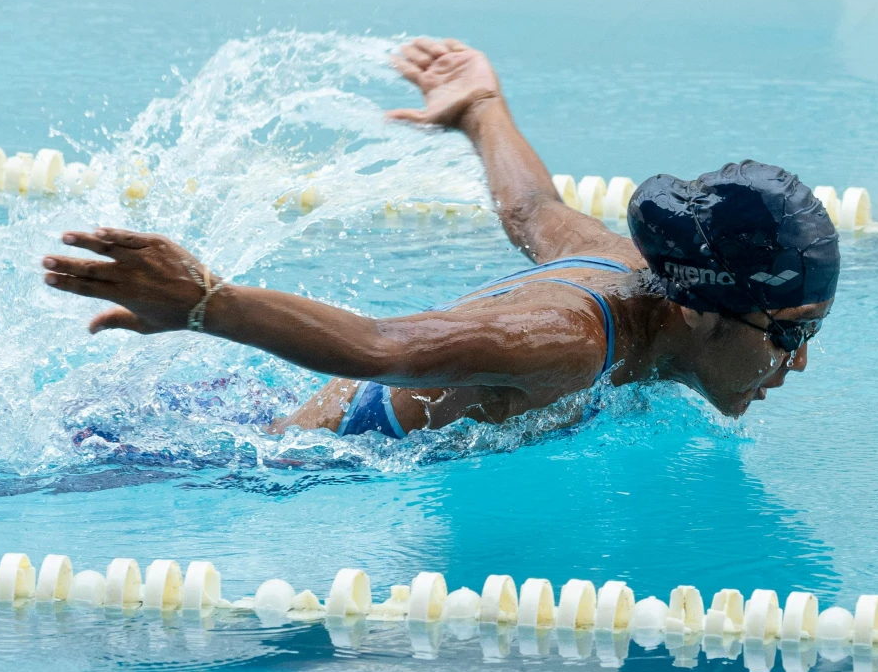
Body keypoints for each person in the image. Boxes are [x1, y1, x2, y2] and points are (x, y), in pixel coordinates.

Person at [41, 37, 837, 438]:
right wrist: (207, 304)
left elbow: (532, 209)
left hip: (266, 408)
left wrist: (479, 108)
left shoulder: (634, 266)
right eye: (790, 333)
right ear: (703, 307)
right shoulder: (567, 339)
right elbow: (380, 346)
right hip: (269, 457)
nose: (797, 361)